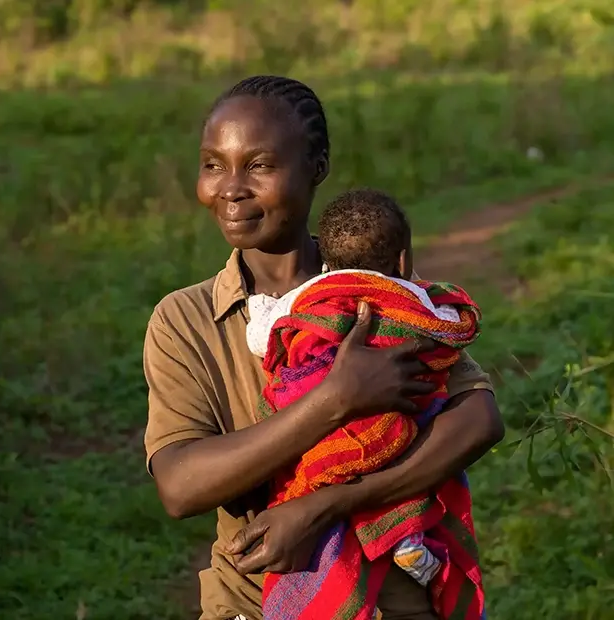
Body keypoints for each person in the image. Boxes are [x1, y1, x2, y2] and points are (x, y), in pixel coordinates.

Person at [143, 75, 504, 620]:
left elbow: (477, 420)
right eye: (213, 164)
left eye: (259, 165)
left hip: (397, 603)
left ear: (317, 169)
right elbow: (180, 485)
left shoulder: (374, 289)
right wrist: (335, 398)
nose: (230, 187)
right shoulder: (186, 321)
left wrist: (329, 503)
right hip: (251, 603)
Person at [244, 188, 484, 620]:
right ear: (404, 260)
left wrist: (261, 309)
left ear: (327, 260)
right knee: (419, 448)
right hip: (398, 422)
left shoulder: (313, 295)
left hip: (330, 437)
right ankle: (408, 539)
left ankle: (379, 548)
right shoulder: (412, 299)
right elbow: (449, 326)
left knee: (323, 465)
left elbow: (266, 336)